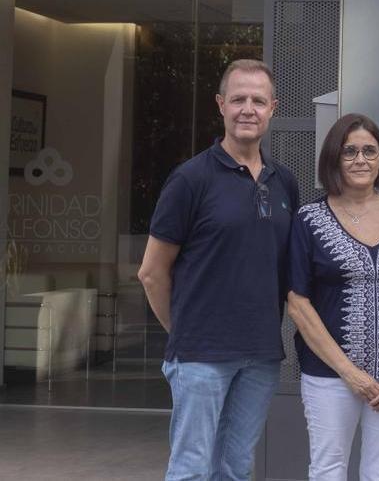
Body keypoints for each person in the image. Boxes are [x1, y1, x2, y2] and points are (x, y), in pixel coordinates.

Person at [138, 58, 299, 481]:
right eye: (238, 99)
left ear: (273, 108)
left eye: (258, 100)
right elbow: (152, 273)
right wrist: (185, 331)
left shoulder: (285, 182)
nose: (248, 108)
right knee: (191, 469)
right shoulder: (190, 179)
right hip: (200, 356)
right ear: (220, 105)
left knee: (235, 467)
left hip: (261, 355)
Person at [286, 113, 379, 480]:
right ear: (333, 157)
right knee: (328, 469)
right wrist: (350, 373)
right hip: (330, 376)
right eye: (349, 152)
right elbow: (298, 303)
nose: (360, 160)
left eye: (369, 151)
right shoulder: (308, 219)